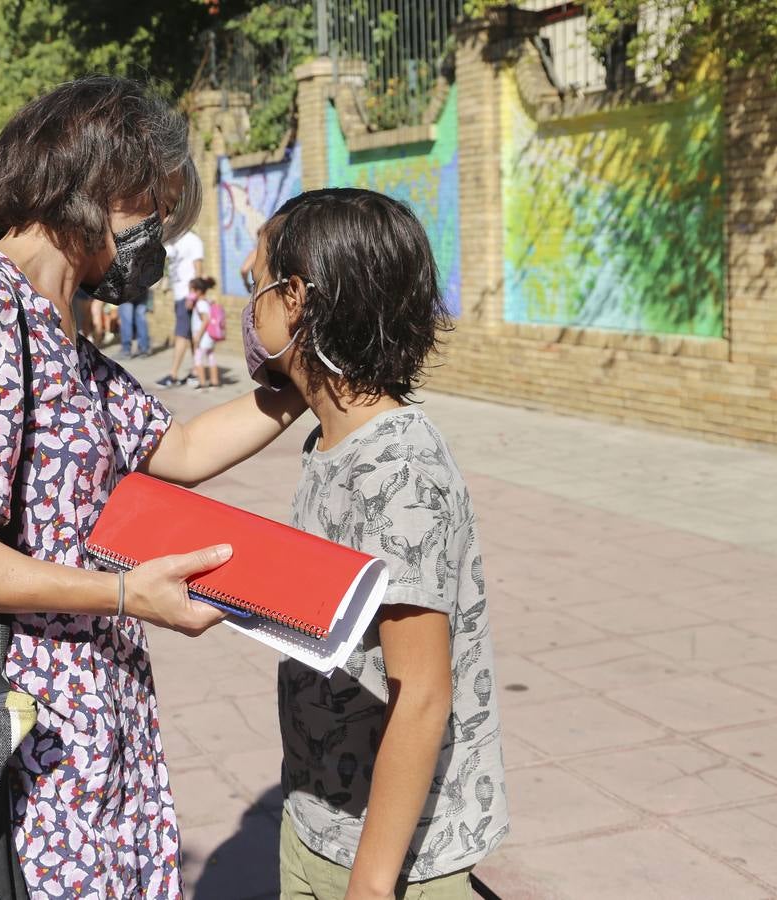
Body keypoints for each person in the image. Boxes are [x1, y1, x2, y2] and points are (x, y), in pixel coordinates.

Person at [0, 75, 309, 897]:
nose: (159, 240)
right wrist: (122, 595)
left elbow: (176, 444)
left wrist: (302, 382)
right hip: (13, 725)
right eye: (156, 212)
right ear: (102, 186)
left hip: (83, 716)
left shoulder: (52, 324)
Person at [245, 189, 508, 900]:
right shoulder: (331, 436)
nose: (246, 282)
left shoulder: (399, 471)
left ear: (294, 297)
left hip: (390, 861)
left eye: (254, 279)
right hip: (316, 821)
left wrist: (369, 883)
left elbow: (420, 695)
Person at [188, 276, 220, 390]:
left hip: (203, 337)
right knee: (211, 357)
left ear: (198, 291)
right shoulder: (207, 301)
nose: (190, 293)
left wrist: (197, 336)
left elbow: (205, 319)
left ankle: (202, 384)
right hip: (210, 337)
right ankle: (214, 383)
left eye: (191, 290)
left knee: (198, 359)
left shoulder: (200, 303)